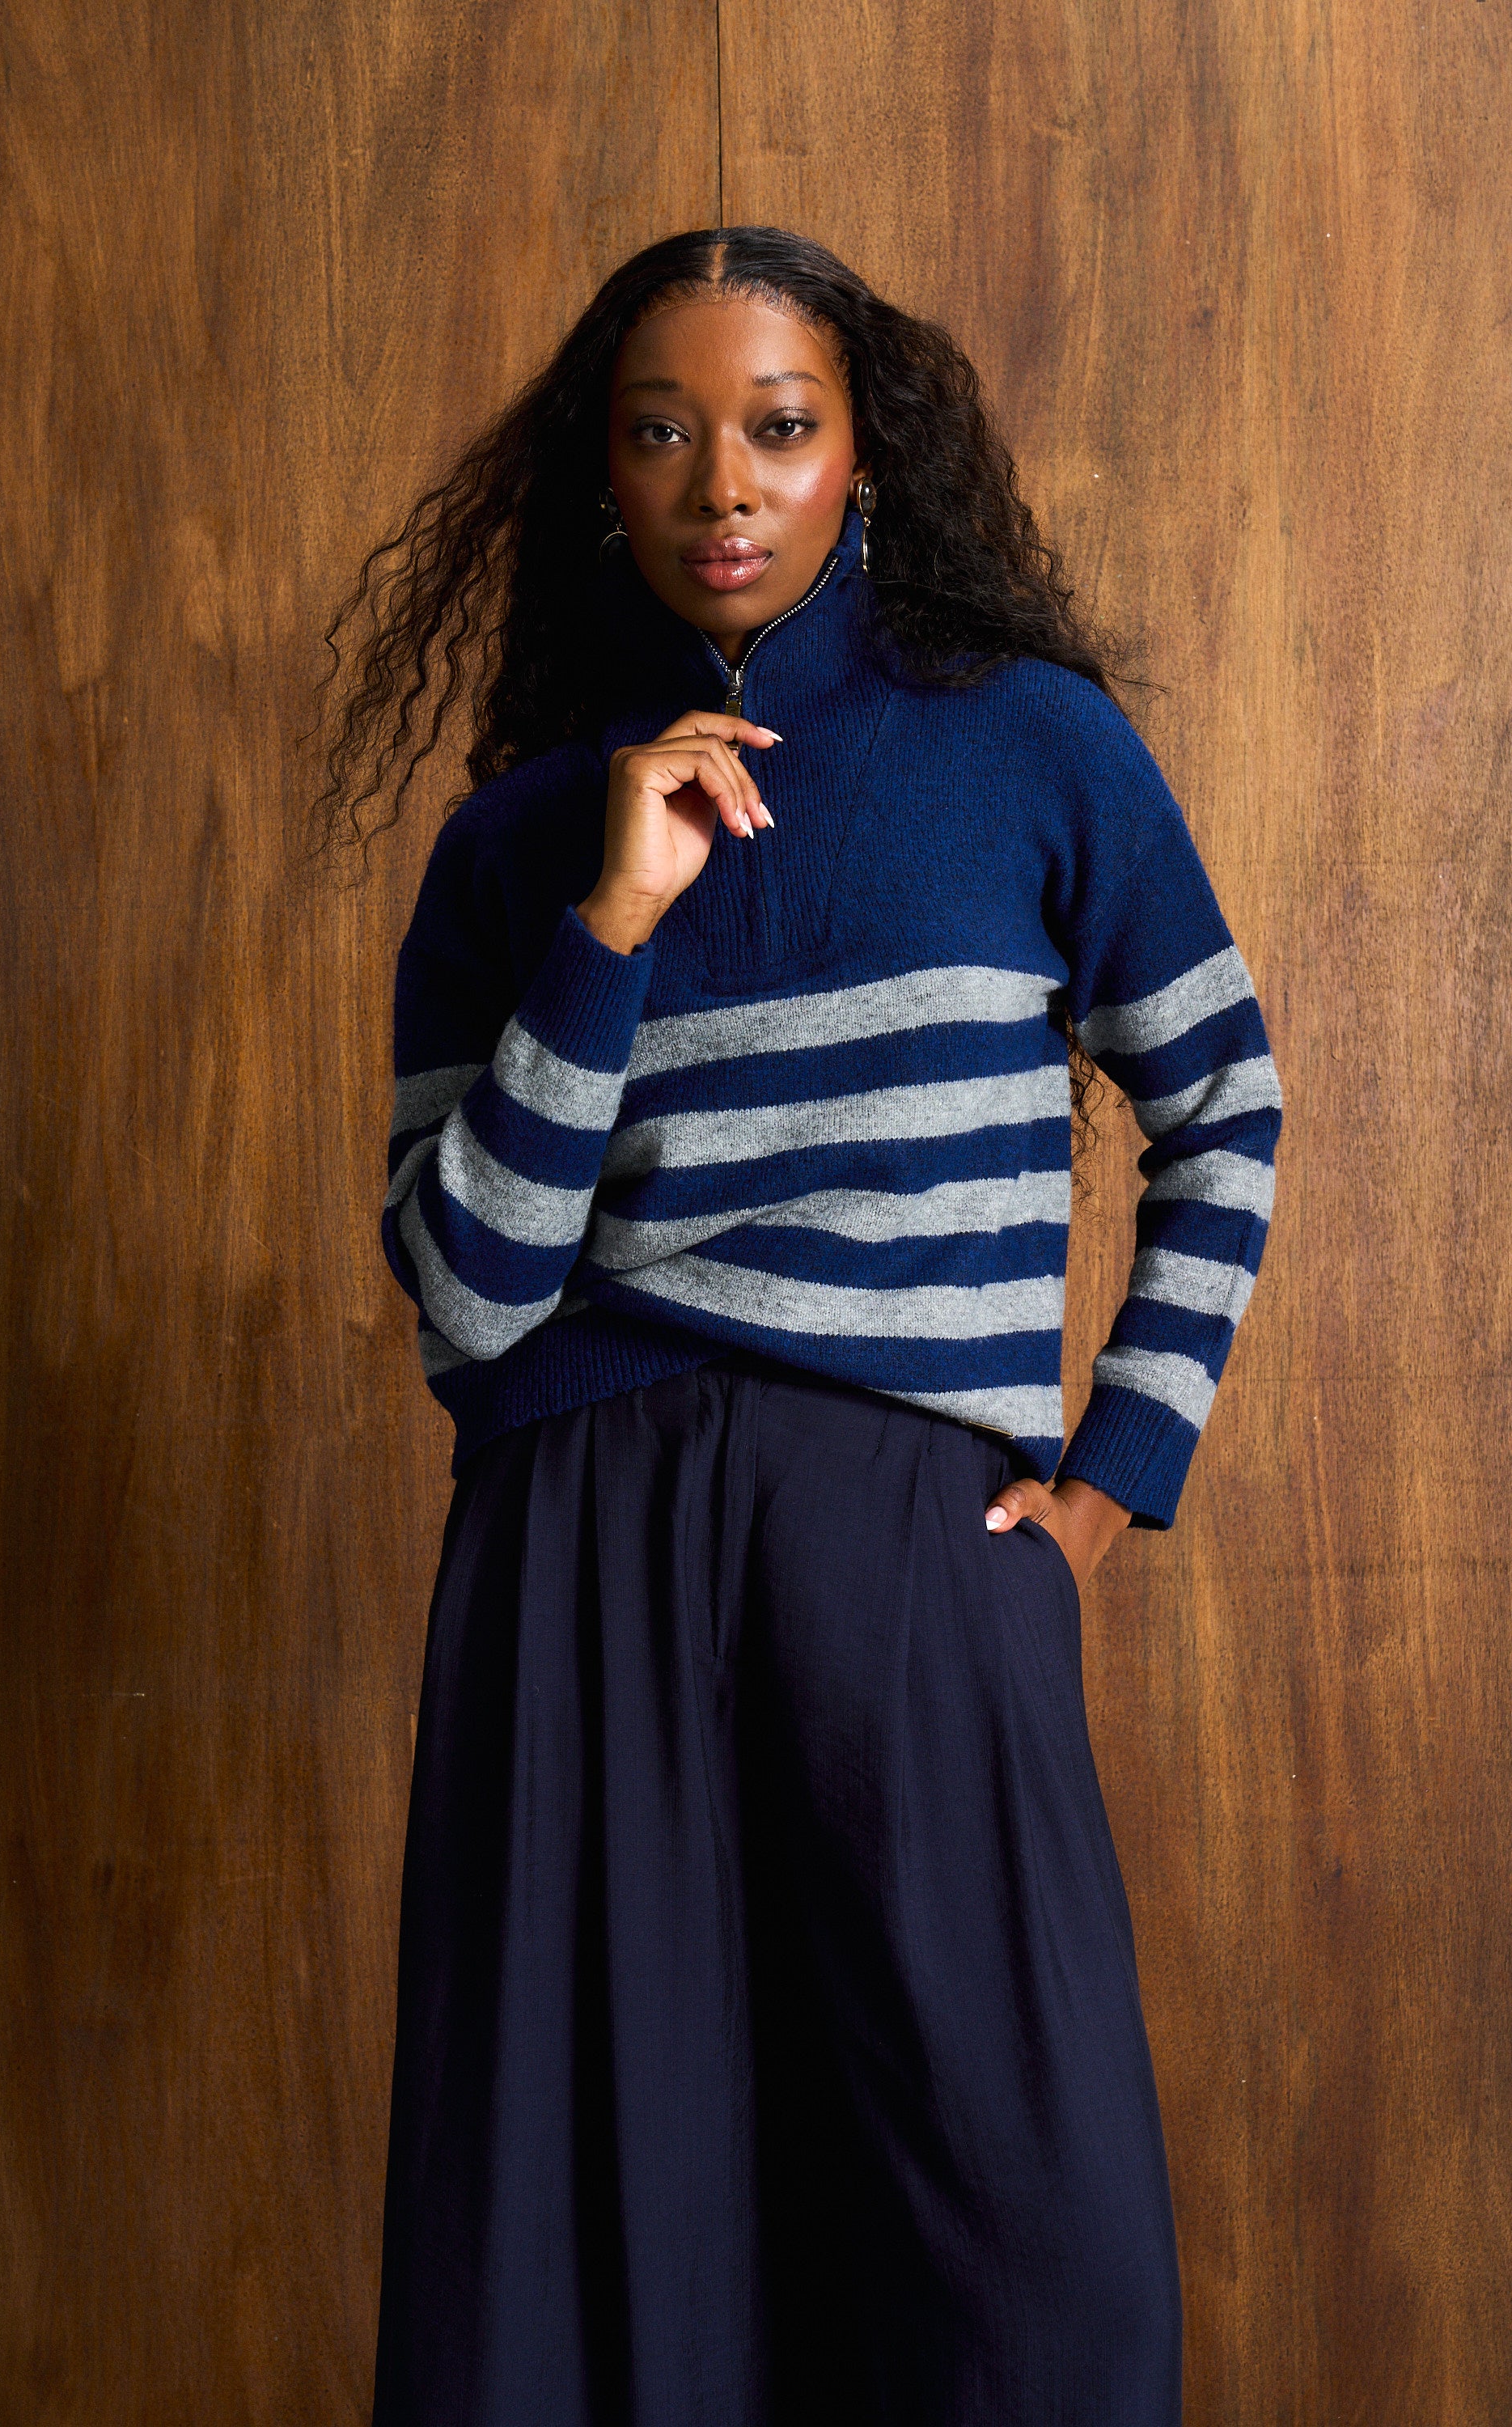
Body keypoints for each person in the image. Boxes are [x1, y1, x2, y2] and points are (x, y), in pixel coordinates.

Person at [317, 225, 1281, 2427]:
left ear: (867, 455)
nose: (722, 484)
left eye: (777, 426)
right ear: (603, 478)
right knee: (592, 2244)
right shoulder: (513, 849)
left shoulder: (1027, 748)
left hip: (908, 1546)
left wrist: (1115, 1476)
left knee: (1026, 2263)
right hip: (573, 1562)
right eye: (662, 433)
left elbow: (1223, 1099)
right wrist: (611, 920)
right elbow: (467, 1295)